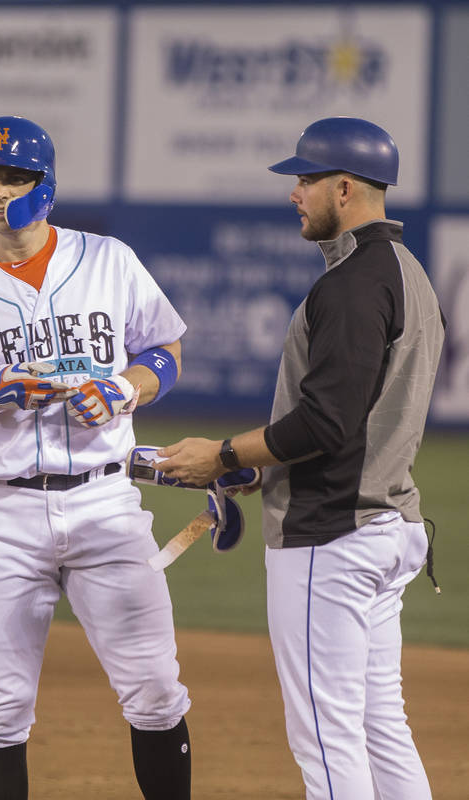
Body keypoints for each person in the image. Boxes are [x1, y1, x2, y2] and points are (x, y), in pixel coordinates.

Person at [0, 115, 193, 800]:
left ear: (45, 185)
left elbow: (165, 352)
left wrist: (124, 387)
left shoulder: (108, 260)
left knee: (155, 690)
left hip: (104, 500)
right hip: (1, 514)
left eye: (14, 177)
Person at [156, 117, 443, 799]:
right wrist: (262, 464)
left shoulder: (349, 287)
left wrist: (224, 455)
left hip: (332, 537)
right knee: (380, 728)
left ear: (343, 188)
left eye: (305, 178)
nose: (295, 192)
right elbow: (355, 419)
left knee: (327, 739)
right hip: (384, 525)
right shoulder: (407, 272)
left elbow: (327, 422)